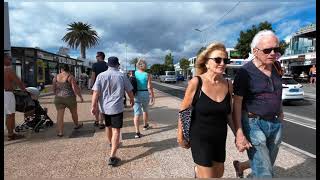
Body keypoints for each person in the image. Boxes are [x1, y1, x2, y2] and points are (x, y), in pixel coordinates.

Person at [177, 43, 236, 178]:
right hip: (199, 137)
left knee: (218, 174)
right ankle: (200, 172)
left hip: (220, 138)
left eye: (225, 60)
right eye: (217, 60)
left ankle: (198, 172)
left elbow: (229, 114)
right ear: (207, 63)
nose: (222, 63)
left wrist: (238, 134)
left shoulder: (228, 84)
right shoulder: (196, 82)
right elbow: (184, 110)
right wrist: (180, 136)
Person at [232, 30, 284, 178]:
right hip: (253, 124)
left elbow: (277, 91)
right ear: (255, 51)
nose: (273, 53)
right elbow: (237, 103)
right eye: (268, 50)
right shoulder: (244, 73)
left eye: (276, 49)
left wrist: (280, 114)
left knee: (266, 164)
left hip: (275, 123)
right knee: (265, 173)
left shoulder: (276, 67)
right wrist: (239, 133)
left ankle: (240, 166)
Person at [91, 56, 134, 167]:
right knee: (116, 131)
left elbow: (95, 92)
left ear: (108, 65)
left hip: (104, 108)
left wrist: (93, 106)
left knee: (108, 126)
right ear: (117, 64)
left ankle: (111, 143)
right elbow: (129, 90)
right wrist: (132, 100)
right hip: (117, 107)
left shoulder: (100, 76)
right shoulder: (121, 75)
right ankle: (112, 157)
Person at [52, 64, 84, 137]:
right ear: (68, 69)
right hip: (70, 98)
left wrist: (56, 94)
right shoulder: (70, 76)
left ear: (61, 69)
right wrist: (80, 97)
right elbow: (75, 88)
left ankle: (60, 132)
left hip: (59, 98)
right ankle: (76, 125)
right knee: (74, 113)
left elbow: (53, 88)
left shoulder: (56, 77)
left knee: (60, 115)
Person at [4, 53, 26, 141]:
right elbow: (18, 82)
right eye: (9, 59)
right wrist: (24, 90)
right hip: (7, 94)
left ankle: (10, 132)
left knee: (7, 114)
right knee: (10, 115)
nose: (10, 61)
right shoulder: (8, 70)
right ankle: (11, 134)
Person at [132, 59, 155, 138]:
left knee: (136, 113)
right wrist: (152, 96)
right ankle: (145, 126)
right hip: (145, 93)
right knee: (145, 110)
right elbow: (149, 86)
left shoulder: (134, 74)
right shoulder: (147, 74)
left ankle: (137, 132)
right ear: (144, 65)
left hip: (136, 94)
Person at [91, 51, 108, 129]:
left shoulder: (95, 65)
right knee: (103, 103)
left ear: (100, 56)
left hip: (97, 87)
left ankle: (97, 120)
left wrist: (91, 86)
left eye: (96, 56)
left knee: (97, 104)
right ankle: (102, 122)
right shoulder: (107, 65)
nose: (96, 57)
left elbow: (93, 77)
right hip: (106, 87)